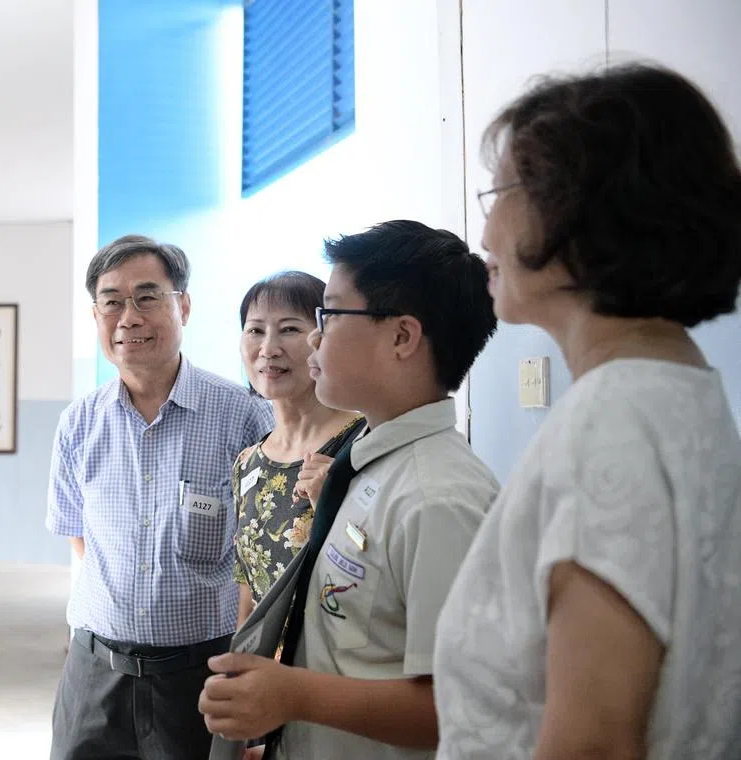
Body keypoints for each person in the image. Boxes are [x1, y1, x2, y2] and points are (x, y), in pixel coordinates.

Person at [433, 64, 741, 759]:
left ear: (575, 209)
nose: (484, 232)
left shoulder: (612, 421)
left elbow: (593, 743)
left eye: (499, 193)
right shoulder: (684, 391)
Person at [200, 220, 500, 760]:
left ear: (402, 337)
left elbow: (465, 707)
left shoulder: (438, 500)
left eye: (329, 315)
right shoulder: (367, 467)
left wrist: (293, 697)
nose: (314, 337)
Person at [46, 234, 274, 760]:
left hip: (199, 676)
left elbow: (259, 559)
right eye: (112, 301)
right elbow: (80, 537)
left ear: (184, 306)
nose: (128, 317)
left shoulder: (243, 417)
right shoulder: (78, 424)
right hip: (94, 673)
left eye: (147, 297)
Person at [232, 272, 365, 627]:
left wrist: (328, 504)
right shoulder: (247, 464)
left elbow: (378, 576)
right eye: (255, 330)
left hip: (333, 669)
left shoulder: (362, 443)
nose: (268, 348)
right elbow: (248, 585)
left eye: (289, 329)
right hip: (267, 674)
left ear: (324, 338)